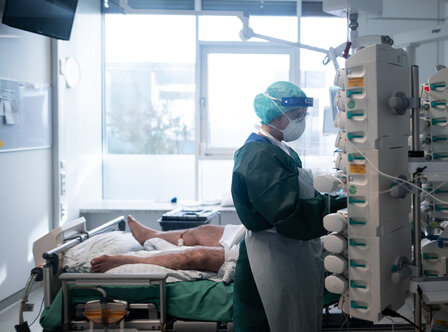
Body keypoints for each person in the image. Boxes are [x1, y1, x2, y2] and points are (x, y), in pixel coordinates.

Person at [231, 81, 346, 331]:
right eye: (296, 116)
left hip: (288, 251)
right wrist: (341, 206)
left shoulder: (282, 151)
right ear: (275, 115)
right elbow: (288, 215)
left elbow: (301, 195)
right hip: (270, 257)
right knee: (274, 321)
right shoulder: (258, 155)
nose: (301, 121)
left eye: (303, 115)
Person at [89, 215, 228, 273]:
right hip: (247, 235)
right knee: (205, 231)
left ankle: (130, 260)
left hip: (248, 252)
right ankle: (151, 236)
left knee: (197, 255)